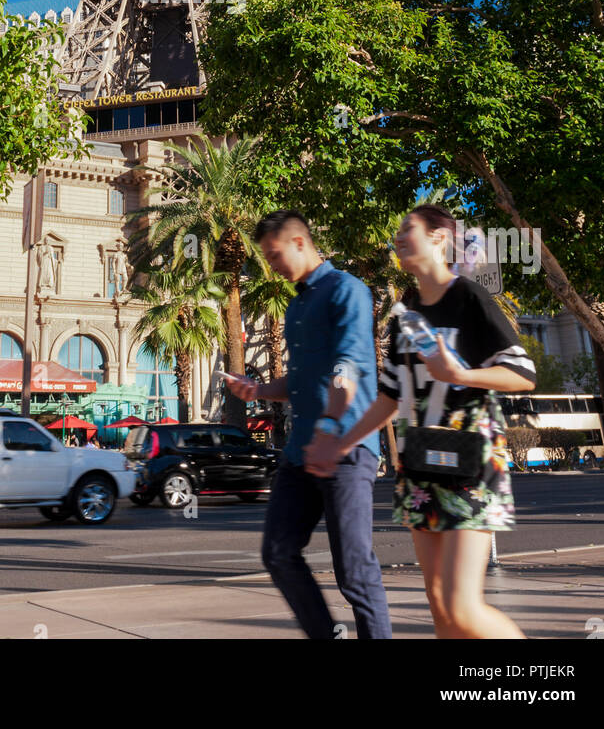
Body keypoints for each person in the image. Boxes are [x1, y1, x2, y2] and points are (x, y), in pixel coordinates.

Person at [314, 204, 536, 639]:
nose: (398, 237)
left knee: (463, 608)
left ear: (438, 238)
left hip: (472, 463)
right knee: (439, 607)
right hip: (420, 469)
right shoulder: (405, 313)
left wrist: (462, 375)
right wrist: (341, 442)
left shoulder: (468, 297)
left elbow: (523, 372)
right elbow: (391, 396)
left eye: (407, 228)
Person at [226, 210, 392, 640]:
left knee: (354, 572)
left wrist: (332, 427)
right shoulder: (297, 304)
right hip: (301, 451)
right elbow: (300, 383)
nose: (272, 266)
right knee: (278, 552)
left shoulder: (346, 290)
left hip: (345, 448)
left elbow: (348, 365)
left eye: (275, 254)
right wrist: (258, 391)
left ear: (300, 243)